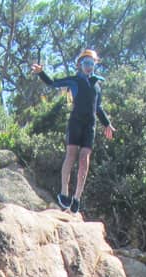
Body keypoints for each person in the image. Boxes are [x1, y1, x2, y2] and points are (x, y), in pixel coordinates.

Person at [30, 49, 115, 214]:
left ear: (95, 64)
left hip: (90, 125)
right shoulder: (75, 80)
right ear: (80, 65)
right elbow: (53, 83)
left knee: (84, 159)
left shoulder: (97, 85)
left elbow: (98, 107)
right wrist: (41, 73)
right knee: (71, 154)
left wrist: (107, 124)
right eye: (86, 63)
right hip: (75, 122)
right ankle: (64, 192)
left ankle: (77, 197)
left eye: (92, 63)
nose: (89, 66)